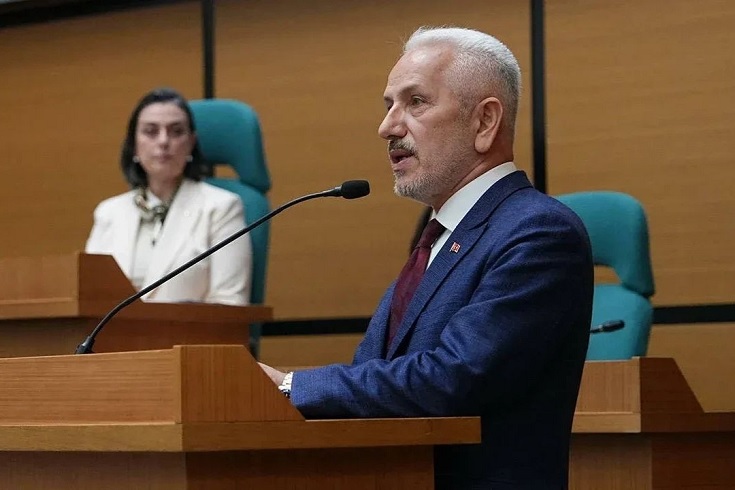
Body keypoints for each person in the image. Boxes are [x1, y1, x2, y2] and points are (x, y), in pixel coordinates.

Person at [259, 26, 593, 489]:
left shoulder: (538, 233)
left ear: (485, 121)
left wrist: (290, 386)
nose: (387, 127)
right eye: (388, 105)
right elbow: (377, 378)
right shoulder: (438, 236)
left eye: (415, 102)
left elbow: (454, 378)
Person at [85, 87, 252, 305]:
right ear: (134, 145)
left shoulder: (222, 208)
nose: (163, 141)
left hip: (187, 328)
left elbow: (231, 304)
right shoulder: (109, 212)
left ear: (191, 143)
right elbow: (89, 299)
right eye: (151, 131)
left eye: (176, 131)